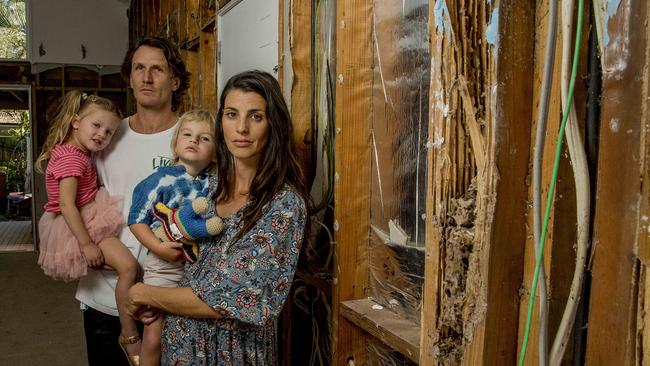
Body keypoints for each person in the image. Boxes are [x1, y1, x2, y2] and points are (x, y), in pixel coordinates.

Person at [126, 70, 310, 365]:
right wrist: (156, 299)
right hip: (179, 347)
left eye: (256, 117)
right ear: (221, 120)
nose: (242, 128)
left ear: (273, 124)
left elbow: (229, 297)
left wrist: (144, 293)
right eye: (232, 114)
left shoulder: (283, 205)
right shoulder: (208, 188)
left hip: (233, 354)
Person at [75, 36, 190, 366]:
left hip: (168, 294)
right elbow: (73, 200)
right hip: (104, 294)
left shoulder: (192, 136)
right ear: (130, 77)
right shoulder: (106, 136)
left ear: (175, 80)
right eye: (139, 68)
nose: (146, 77)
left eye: (157, 69)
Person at [34, 91, 141, 363]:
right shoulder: (72, 159)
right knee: (129, 267)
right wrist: (86, 244)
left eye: (108, 131)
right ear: (76, 122)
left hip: (87, 215)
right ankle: (129, 334)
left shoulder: (75, 151)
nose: (102, 135)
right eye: (96, 126)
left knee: (124, 267)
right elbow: (67, 205)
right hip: (82, 223)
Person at [128, 109, 220, 365]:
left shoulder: (215, 182)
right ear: (176, 142)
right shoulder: (160, 179)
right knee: (155, 334)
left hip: (198, 266)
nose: (194, 141)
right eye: (188, 135)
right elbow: (136, 221)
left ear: (215, 150)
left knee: (184, 334)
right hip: (165, 265)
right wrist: (157, 247)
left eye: (204, 138)